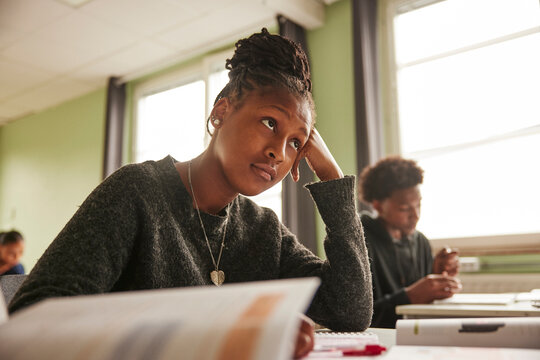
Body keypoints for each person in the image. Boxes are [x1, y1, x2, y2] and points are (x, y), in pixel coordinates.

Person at [9, 29, 372, 357]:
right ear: (221, 112)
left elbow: (350, 309)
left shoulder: (262, 229)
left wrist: (331, 178)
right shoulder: (137, 191)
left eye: (296, 141)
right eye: (269, 122)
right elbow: (32, 315)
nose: (279, 151)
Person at [358, 156, 460, 328]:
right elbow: (356, 318)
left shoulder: (421, 242)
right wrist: (409, 297)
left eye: (418, 205)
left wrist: (437, 275)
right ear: (378, 206)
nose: (416, 215)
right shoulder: (359, 242)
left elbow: (423, 308)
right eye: (404, 208)